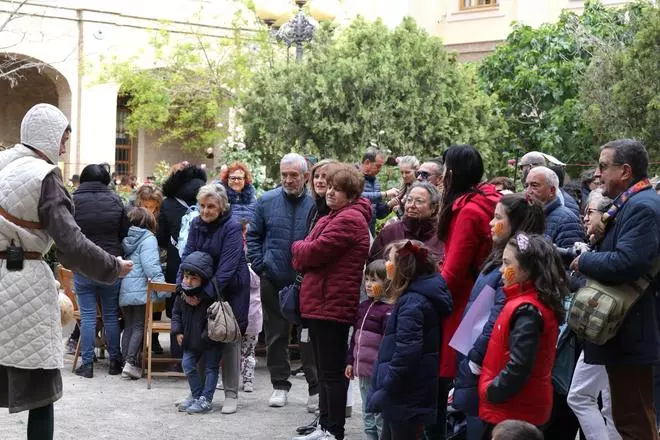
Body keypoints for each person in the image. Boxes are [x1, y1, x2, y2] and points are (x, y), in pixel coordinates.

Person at [0, 103, 133, 440]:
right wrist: (113, 266)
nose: (62, 148)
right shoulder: (44, 176)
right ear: (47, 135)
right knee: (42, 389)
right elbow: (71, 245)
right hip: (23, 286)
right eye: (62, 139)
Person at [570, 139, 660, 440]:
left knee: (634, 420)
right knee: (627, 416)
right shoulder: (634, 204)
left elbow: (628, 262)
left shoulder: (642, 207)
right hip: (624, 330)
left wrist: (585, 261)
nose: (599, 173)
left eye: (604, 167)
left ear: (625, 171)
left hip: (631, 329)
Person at [453, 193, 545, 440]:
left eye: (497, 217)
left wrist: (473, 363)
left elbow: (494, 321)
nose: (491, 223)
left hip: (482, 365)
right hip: (473, 358)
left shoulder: (513, 269)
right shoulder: (499, 258)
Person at [291, 163, 372, 440]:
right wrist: (302, 251)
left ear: (351, 195)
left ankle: (333, 429)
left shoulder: (349, 219)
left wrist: (298, 249)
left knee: (332, 373)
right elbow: (306, 253)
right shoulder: (331, 217)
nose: (330, 193)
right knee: (325, 372)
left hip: (332, 305)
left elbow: (310, 252)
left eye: (338, 189)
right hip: (320, 303)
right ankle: (323, 424)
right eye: (330, 187)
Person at [433, 145, 501, 438]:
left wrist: (424, 294)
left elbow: (453, 271)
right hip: (480, 297)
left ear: (453, 173)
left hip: (461, 305)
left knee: (454, 380)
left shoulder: (469, 211)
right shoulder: (487, 200)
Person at [478, 234, 568, 438]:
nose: (501, 269)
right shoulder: (523, 302)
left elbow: (520, 366)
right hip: (514, 407)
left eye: (507, 263)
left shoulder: (527, 310)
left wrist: (491, 390)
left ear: (527, 270)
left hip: (514, 411)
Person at [247, 153, 317, 409]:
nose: (288, 180)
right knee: (276, 337)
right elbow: (253, 237)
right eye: (284, 175)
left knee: (308, 338)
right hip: (273, 279)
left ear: (305, 176)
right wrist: (261, 265)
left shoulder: (316, 203)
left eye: (294, 175)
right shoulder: (266, 201)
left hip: (307, 281)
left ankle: (315, 389)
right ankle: (279, 384)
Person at [367, 240, 453, 440]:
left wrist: (386, 388)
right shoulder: (413, 298)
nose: (386, 264)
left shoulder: (413, 303)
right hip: (404, 396)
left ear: (403, 269)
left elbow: (407, 355)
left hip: (405, 396)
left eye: (389, 260)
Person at [178, 183, 250, 415]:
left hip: (230, 291)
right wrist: (184, 288)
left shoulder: (231, 227)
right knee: (200, 338)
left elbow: (227, 269)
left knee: (227, 338)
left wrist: (201, 295)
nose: (206, 211)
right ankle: (198, 392)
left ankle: (231, 394)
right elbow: (187, 257)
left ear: (222, 207)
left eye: (211, 206)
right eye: (202, 206)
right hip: (201, 290)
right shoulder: (197, 224)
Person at [566, 189, 621, 440]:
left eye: (590, 212)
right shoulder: (603, 246)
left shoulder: (611, 251)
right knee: (611, 404)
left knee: (580, 396)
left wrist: (580, 270)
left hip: (607, 331)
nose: (585, 218)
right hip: (613, 333)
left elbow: (598, 290)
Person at [71, 163, 130, 378]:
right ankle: (115, 361)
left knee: (87, 317)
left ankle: (87, 365)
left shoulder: (74, 201)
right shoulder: (115, 200)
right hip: (110, 263)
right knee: (111, 315)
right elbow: (124, 231)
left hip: (84, 264)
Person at [158, 163, 207, 363]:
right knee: (201, 307)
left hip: (176, 264)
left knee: (177, 308)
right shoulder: (207, 202)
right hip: (203, 264)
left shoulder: (168, 204)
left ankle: (178, 358)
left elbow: (161, 237)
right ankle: (199, 357)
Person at [171, 251, 224, 414]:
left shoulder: (210, 297)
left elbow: (215, 320)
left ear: (203, 279)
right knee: (187, 364)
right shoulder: (182, 295)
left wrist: (206, 337)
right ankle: (196, 396)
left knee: (211, 368)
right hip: (190, 339)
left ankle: (206, 400)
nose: (188, 281)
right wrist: (178, 331)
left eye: (193, 278)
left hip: (210, 341)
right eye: (186, 277)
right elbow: (176, 314)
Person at [345, 259, 393, 440]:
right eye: (366, 280)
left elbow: (388, 344)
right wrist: (350, 361)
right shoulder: (363, 307)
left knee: (379, 414)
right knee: (367, 412)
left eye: (374, 280)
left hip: (379, 373)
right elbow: (354, 339)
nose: (369, 284)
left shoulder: (388, 310)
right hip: (364, 372)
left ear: (387, 282)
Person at [119, 207, 167, 379]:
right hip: (140, 289)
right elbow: (151, 266)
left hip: (125, 287)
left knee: (129, 326)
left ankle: (126, 362)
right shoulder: (148, 239)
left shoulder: (125, 238)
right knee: (140, 326)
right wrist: (162, 290)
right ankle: (131, 363)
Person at [369, 182, 443, 263]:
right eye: (409, 200)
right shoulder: (390, 231)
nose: (412, 205)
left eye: (419, 201)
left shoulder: (441, 235)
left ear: (433, 208)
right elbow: (373, 265)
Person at [525, 166, 584, 250]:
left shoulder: (567, 220)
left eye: (534, 185)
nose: (528, 191)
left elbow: (572, 259)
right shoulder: (528, 215)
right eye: (526, 186)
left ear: (552, 191)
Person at [519, 151, 581, 218]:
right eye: (527, 186)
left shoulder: (565, 209)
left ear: (530, 167)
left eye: (522, 167)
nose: (528, 191)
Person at [360, 148, 398, 236]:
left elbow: (378, 214)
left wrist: (389, 205)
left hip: (369, 233)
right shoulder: (353, 178)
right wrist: (384, 194)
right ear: (367, 162)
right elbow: (355, 197)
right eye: (378, 166)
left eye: (381, 166)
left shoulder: (376, 183)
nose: (380, 169)